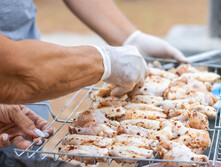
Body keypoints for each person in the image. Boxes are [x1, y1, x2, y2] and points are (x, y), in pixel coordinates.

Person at [0, 0, 186, 149]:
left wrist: (130, 37)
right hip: (23, 77)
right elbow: (12, 69)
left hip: (12, 122)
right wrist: (105, 61)